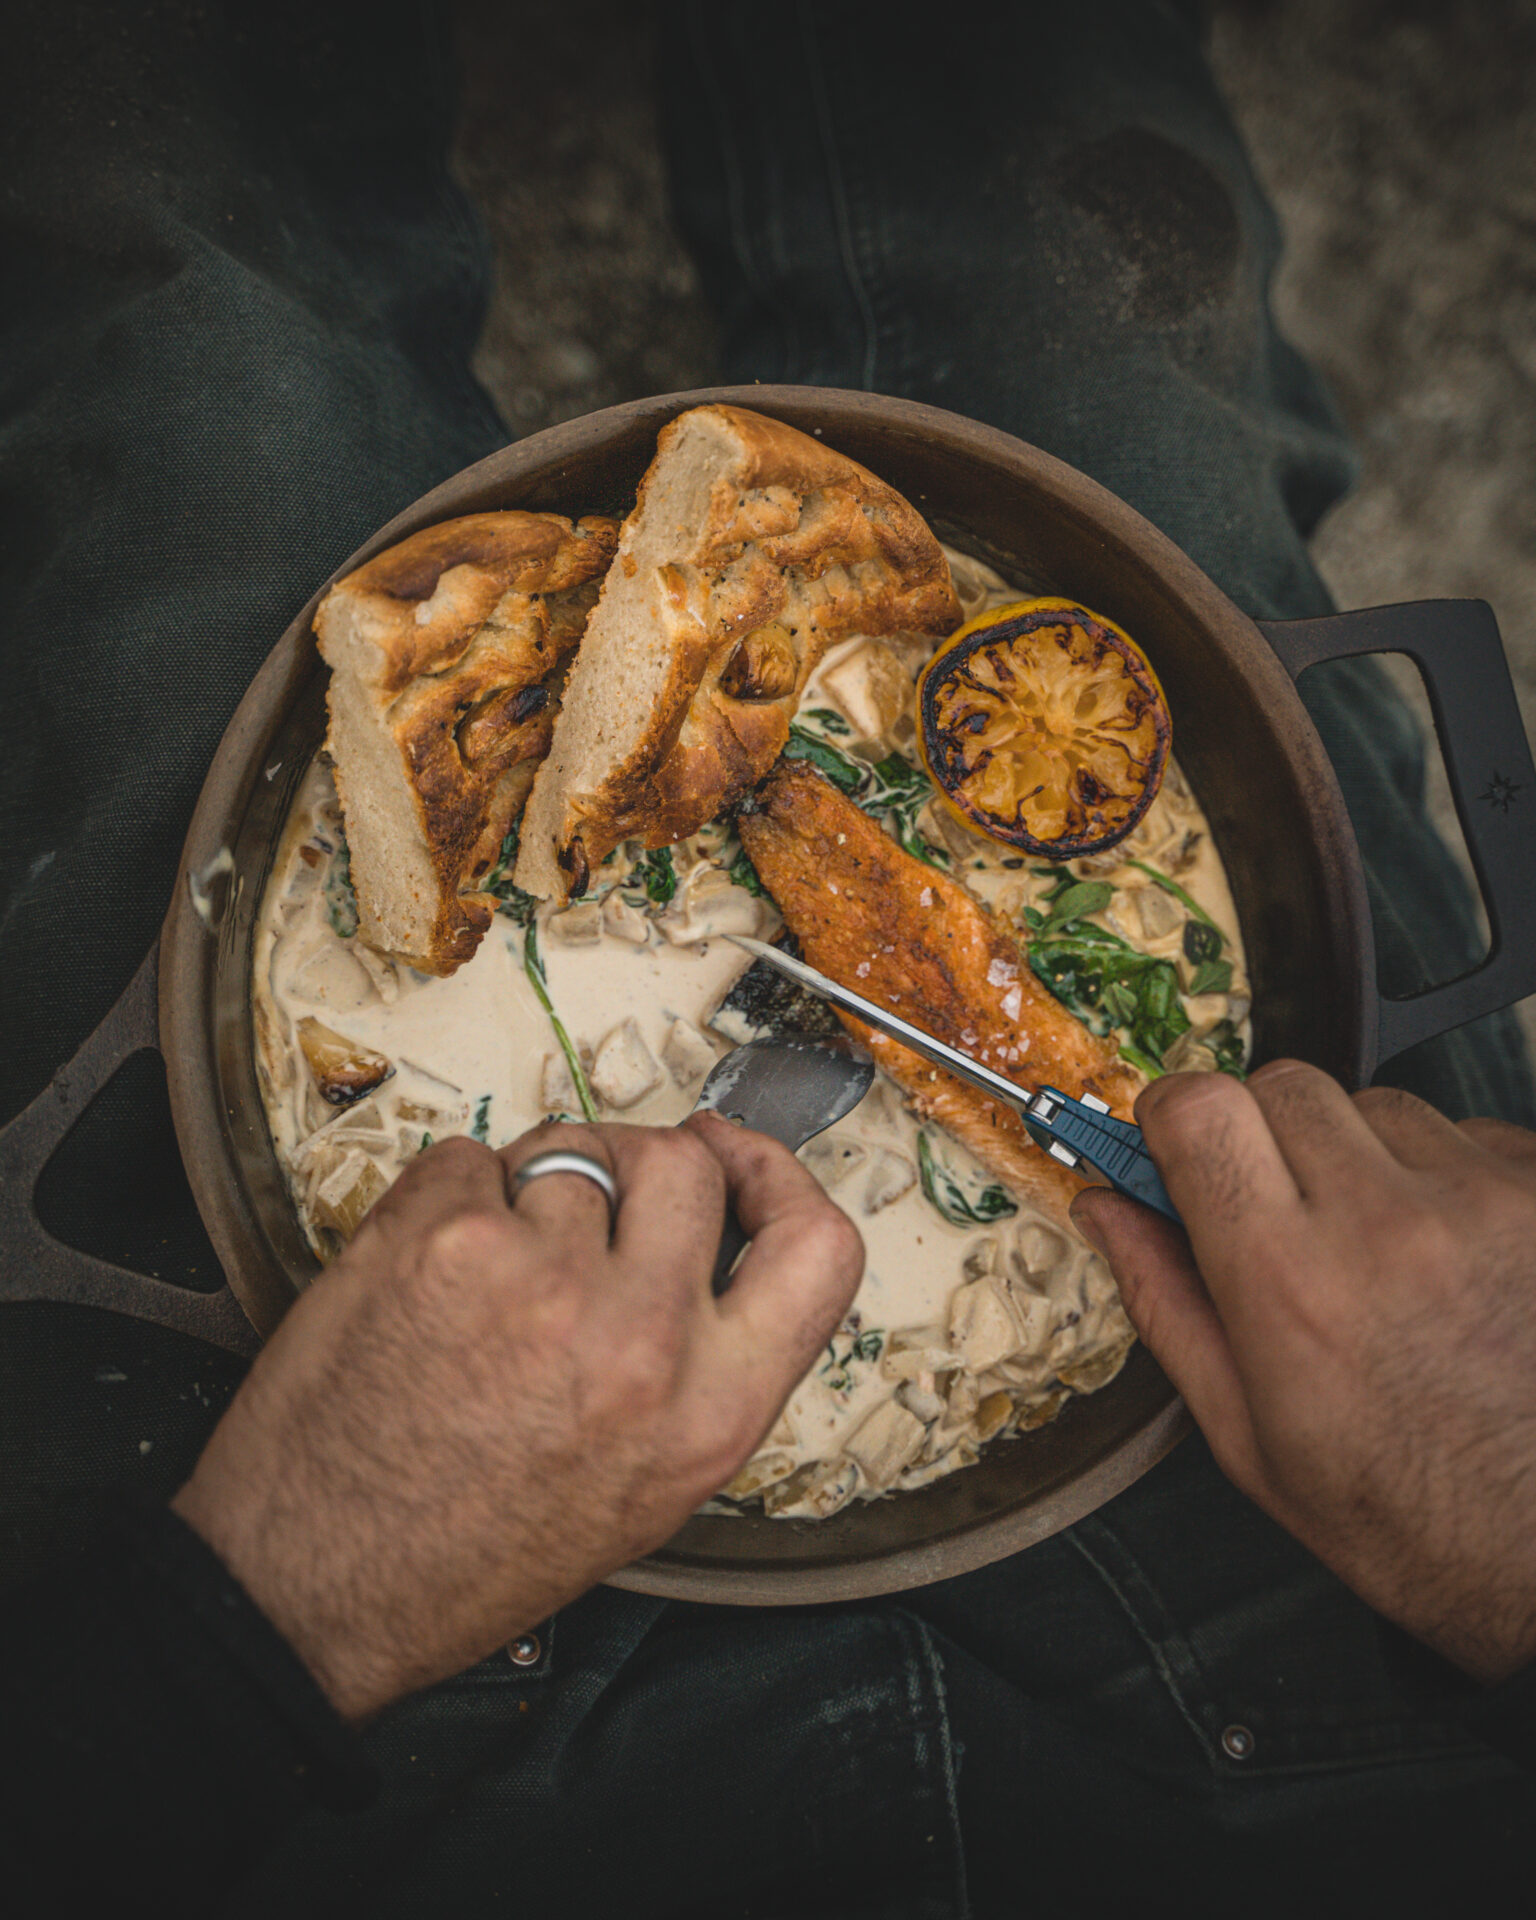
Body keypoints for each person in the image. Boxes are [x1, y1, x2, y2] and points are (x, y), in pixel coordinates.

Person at [2, 1, 1534, 1914]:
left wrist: (264, 1616)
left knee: (202, 350)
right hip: (1345, 1571)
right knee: (1112, 317)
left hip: (386, 1722)